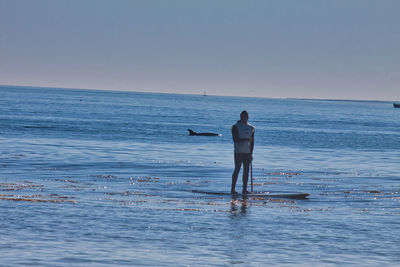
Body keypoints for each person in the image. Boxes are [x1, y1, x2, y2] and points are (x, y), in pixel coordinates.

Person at [231, 110, 255, 195]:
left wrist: (251, 153)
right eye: (242, 116)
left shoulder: (251, 128)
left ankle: (244, 189)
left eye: (245, 117)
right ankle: (233, 189)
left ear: (247, 118)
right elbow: (235, 140)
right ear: (240, 117)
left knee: (246, 171)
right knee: (237, 169)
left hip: (247, 152)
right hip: (238, 151)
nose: (243, 118)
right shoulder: (235, 126)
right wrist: (246, 139)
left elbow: (252, 142)